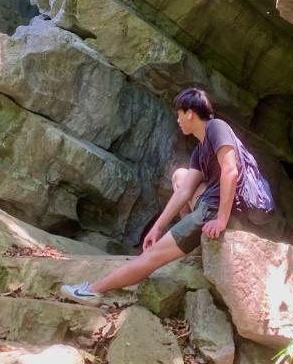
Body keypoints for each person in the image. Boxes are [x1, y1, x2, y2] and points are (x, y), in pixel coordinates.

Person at [61, 87, 279, 306]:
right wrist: (158, 227)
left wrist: (221, 219)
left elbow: (230, 171)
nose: (178, 120)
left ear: (190, 113)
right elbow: (184, 190)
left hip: (215, 210)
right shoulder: (200, 149)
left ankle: (92, 291)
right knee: (180, 176)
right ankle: (187, 239)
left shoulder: (216, 127)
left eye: (179, 114)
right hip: (208, 205)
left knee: (151, 257)